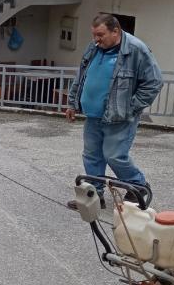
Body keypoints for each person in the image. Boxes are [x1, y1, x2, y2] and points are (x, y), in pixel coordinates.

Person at [66, 13, 162, 206]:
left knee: (114, 156)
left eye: (100, 35)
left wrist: (130, 108)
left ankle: (138, 186)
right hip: (93, 116)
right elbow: (81, 75)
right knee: (91, 156)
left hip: (119, 118)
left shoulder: (136, 50)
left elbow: (154, 83)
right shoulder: (94, 48)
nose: (96, 39)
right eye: (94, 35)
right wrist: (72, 103)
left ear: (115, 31)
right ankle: (94, 196)